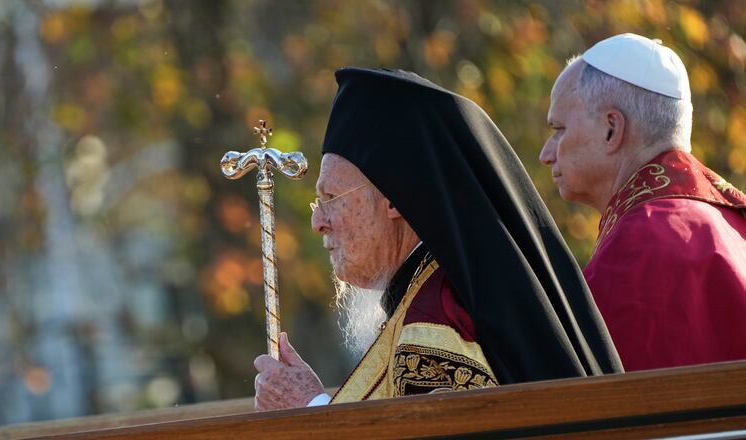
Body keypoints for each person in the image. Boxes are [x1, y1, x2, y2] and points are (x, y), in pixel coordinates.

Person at [254, 67, 622, 411]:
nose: (318, 221)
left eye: (331, 198)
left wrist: (309, 409)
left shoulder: (435, 322)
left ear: (394, 199)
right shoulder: (434, 291)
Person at [540, 33, 746, 372]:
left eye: (559, 129)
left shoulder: (640, 245)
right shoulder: (731, 221)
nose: (546, 154)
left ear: (611, 129)